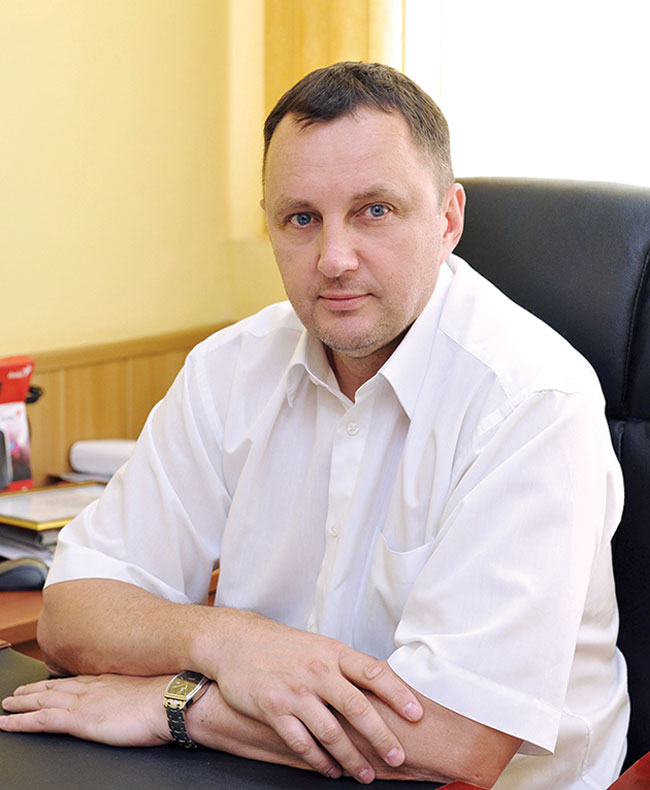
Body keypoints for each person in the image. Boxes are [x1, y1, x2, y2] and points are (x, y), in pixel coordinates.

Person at [0, 62, 628, 789]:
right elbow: (72, 611)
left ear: (449, 219)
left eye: (374, 211)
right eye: (301, 218)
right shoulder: (229, 369)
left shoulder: (532, 401)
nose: (334, 260)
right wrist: (230, 642)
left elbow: (456, 739)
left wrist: (178, 706)